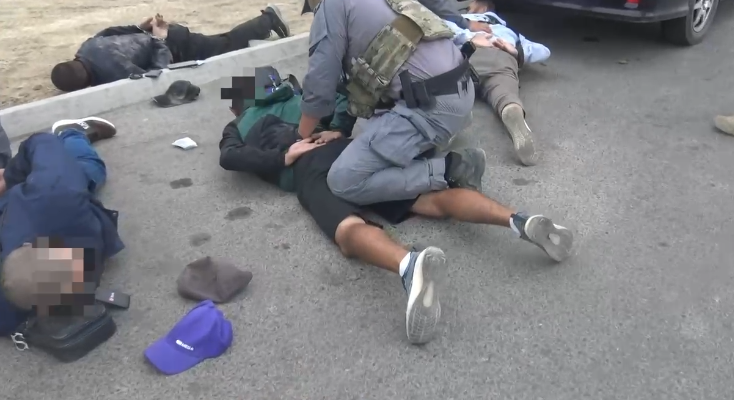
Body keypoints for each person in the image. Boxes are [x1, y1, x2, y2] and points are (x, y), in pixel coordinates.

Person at [218, 71, 575, 344]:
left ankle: (408, 265)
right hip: (348, 155)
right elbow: (341, 100)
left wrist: (283, 156)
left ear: (238, 104)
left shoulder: (239, 124)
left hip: (309, 170)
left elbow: (229, 157)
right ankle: (517, 219)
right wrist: (337, 130)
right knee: (429, 200)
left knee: (347, 230)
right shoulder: (301, 99)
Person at [299, 0, 496, 207]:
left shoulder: (330, 6)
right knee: (373, 124)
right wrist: (341, 128)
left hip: (433, 107)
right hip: (461, 86)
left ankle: (453, 168)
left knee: (344, 180)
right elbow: (361, 83)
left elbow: (320, 84)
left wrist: (300, 138)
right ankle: (442, 131)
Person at [0, 117, 124, 336]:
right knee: (87, 167)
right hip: (54, 201)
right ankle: (72, 132)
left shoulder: (9, 310)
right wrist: (10, 177)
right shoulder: (53, 195)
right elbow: (42, 142)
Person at [50, 6, 290, 92]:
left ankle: (268, 19)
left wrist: (160, 39)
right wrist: (139, 28)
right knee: (222, 41)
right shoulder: (86, 47)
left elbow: (159, 71)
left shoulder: (115, 71)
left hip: (174, 42)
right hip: (157, 34)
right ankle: (264, 26)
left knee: (226, 44)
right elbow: (110, 31)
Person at [445, 0, 550, 166]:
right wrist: (516, 51)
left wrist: (469, 37)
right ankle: (510, 108)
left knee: (449, 90)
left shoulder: (460, 21)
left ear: (482, 7)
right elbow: (544, 52)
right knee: (504, 91)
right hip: (499, 56)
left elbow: (442, 31)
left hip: (466, 54)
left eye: (469, 6)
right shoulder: (509, 31)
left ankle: (442, 127)